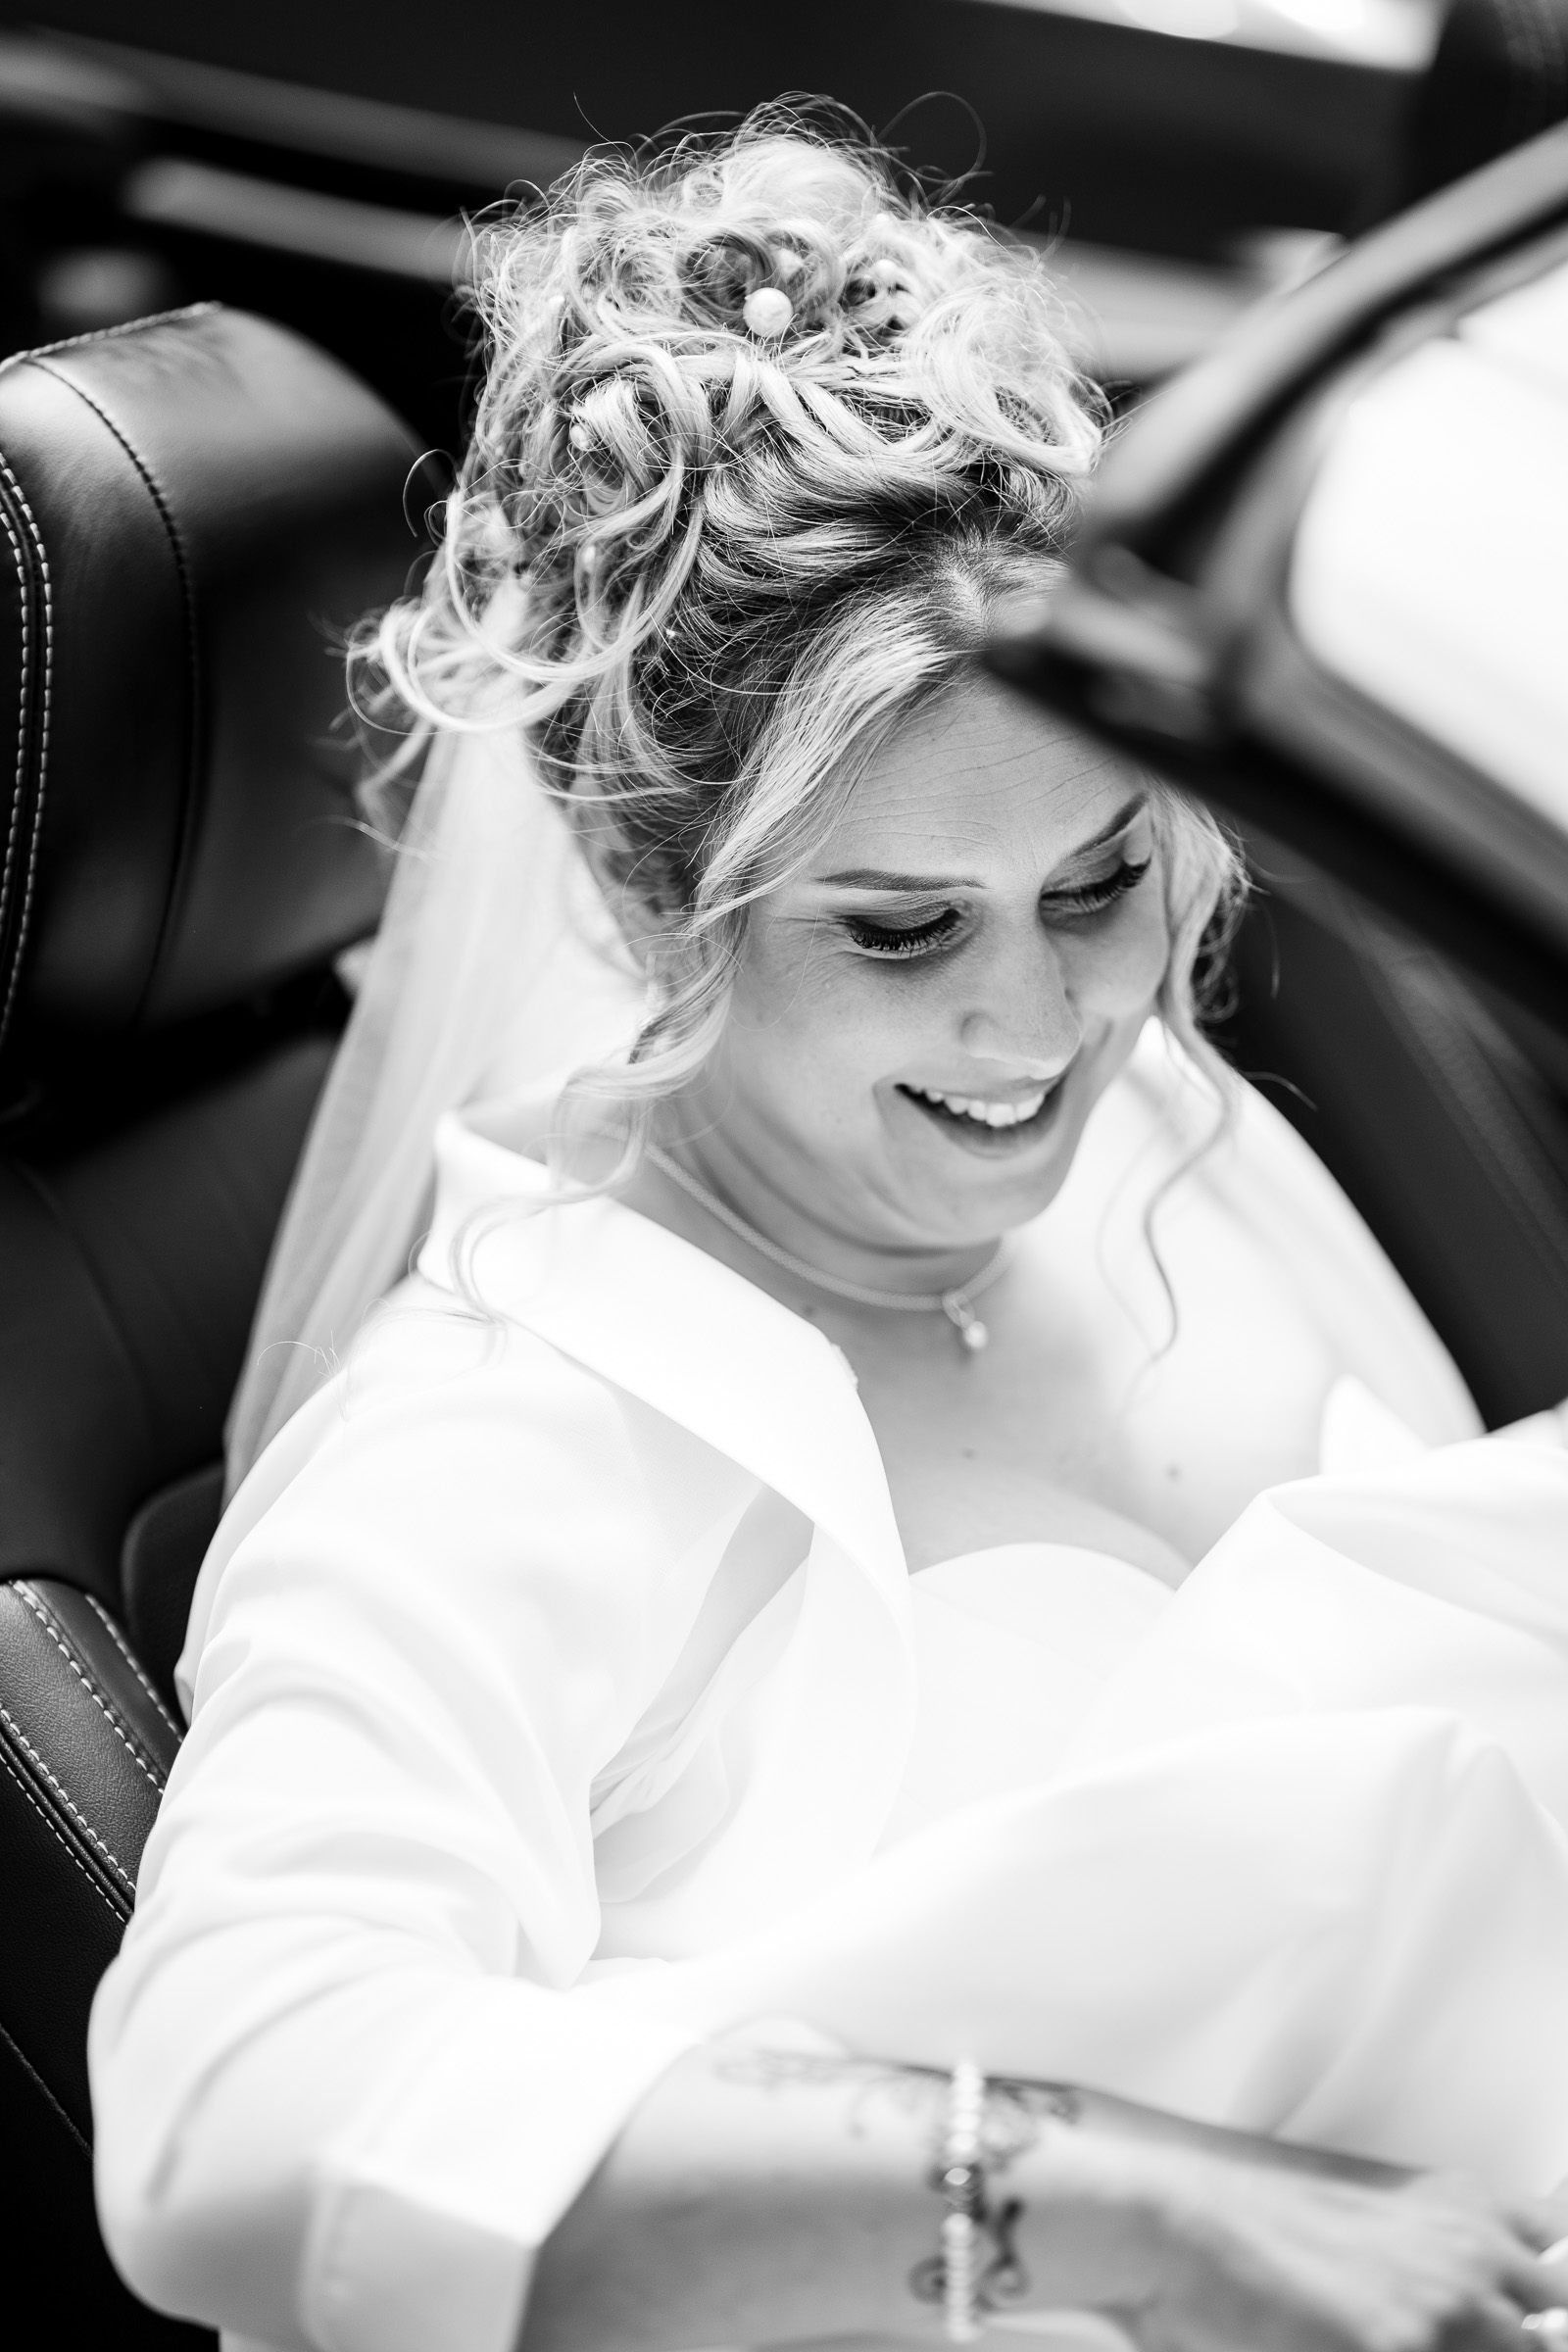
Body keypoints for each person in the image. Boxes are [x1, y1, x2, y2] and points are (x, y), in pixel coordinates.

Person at [89, 109, 1568, 2352]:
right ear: (646, 895)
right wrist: (1133, 2209)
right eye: (897, 929)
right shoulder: (507, 1432)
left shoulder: (1162, 1133)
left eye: (1100, 879)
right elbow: (230, 2118)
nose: (1043, 1021)